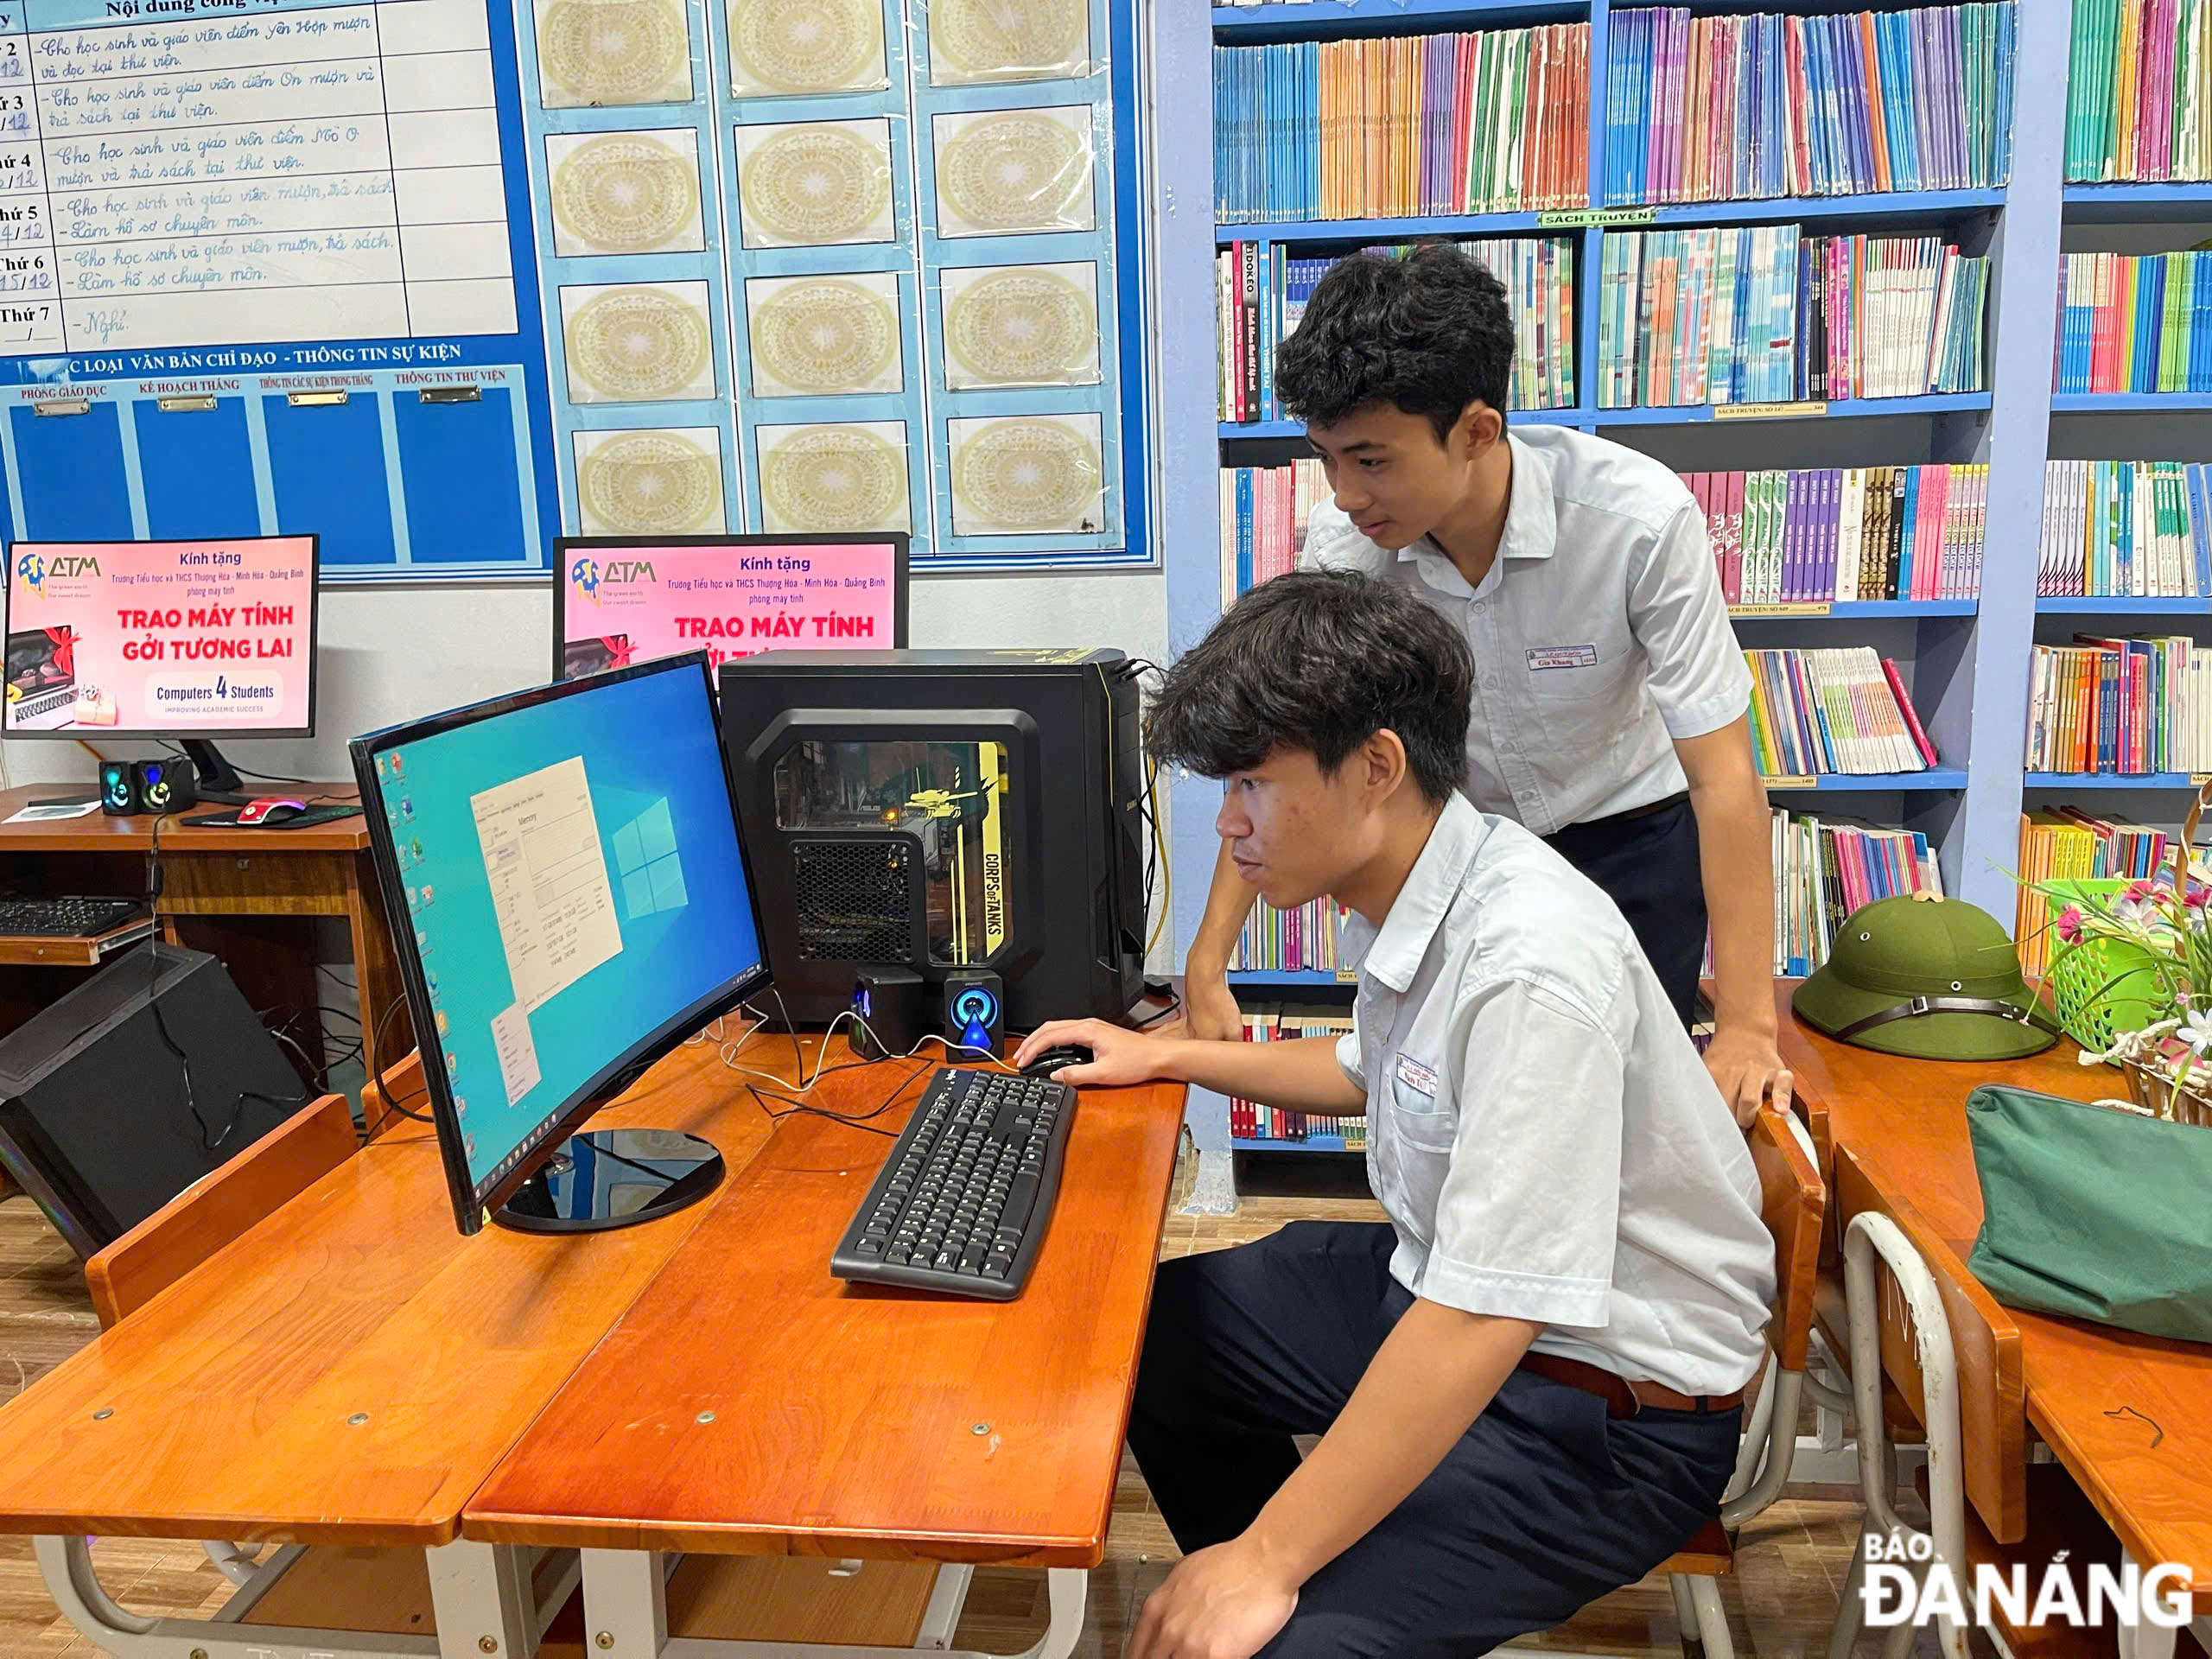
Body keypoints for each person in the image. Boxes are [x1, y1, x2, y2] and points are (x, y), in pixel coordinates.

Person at [1014, 570, 1777, 1659]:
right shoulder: (1441, 879)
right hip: (1461, 1302)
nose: (1229, 827)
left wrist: (1271, 1556)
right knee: (1151, 1338)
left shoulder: (1528, 962)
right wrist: (1165, 1055)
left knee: (1292, 1637)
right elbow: (1375, 1069)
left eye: (1251, 786)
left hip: (1598, 1416)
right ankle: (1276, 1577)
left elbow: (1485, 1315)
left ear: (1375, 766)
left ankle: (1279, 1594)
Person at [1180, 245, 1789, 1122]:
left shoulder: (1637, 523)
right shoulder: (1349, 549)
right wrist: (1209, 960)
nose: (1345, 494)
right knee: (1442, 1097)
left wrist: (1745, 1026)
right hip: (1461, 855)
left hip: (1631, 839)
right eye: (1326, 460)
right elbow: (1288, 758)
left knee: (1614, 1107)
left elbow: (1722, 776)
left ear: (1475, 431)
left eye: (1371, 460)